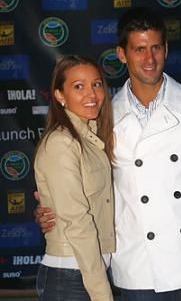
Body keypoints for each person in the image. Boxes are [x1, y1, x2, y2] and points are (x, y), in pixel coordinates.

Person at [35, 7, 181, 301]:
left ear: (166, 49)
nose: (149, 59)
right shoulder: (104, 117)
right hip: (137, 267)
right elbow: (86, 185)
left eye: (155, 48)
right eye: (139, 49)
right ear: (122, 54)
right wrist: (50, 209)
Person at [34, 55, 115, 301]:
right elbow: (78, 223)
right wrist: (102, 294)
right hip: (72, 276)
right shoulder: (61, 143)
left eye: (97, 84)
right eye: (78, 87)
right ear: (60, 95)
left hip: (89, 272)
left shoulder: (91, 138)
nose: (91, 94)